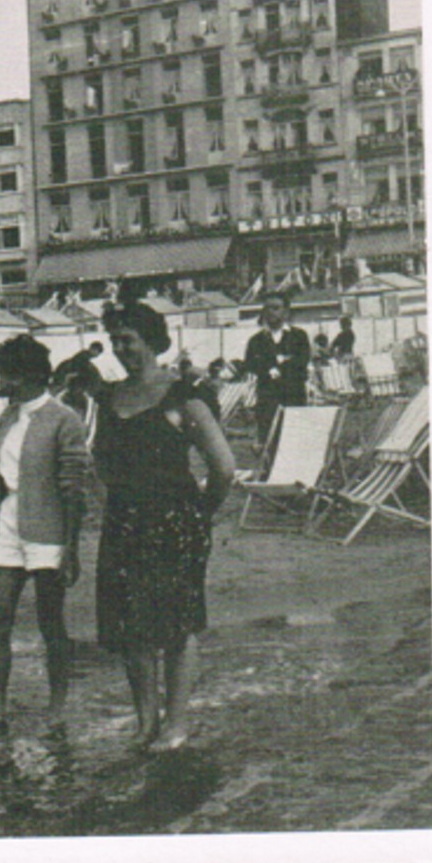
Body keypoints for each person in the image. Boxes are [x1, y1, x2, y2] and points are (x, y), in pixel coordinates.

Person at [95, 301, 236, 750]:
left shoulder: (184, 395)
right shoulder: (108, 398)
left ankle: (176, 723)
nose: (121, 349)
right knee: (130, 628)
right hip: (124, 523)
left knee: (176, 626)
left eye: (129, 340)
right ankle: (145, 723)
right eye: (115, 341)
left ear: (151, 341)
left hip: (175, 521)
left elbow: (224, 467)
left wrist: (200, 512)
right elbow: (99, 463)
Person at [0, 335, 92, 733]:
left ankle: (57, 704)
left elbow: (74, 490)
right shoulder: (7, 418)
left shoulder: (64, 419)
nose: (1, 384)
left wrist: (71, 549)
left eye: (6, 376)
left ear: (28, 375)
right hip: (9, 526)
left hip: (48, 531)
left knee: (51, 623)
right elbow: (0, 477)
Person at [243, 291, 311, 444]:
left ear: (286, 311)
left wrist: (277, 368)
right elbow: (251, 364)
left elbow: (302, 361)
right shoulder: (256, 341)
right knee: (269, 443)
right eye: (267, 308)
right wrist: (278, 364)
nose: (270, 312)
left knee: (294, 442)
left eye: (276, 308)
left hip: (294, 398)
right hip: (268, 401)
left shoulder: (299, 336)